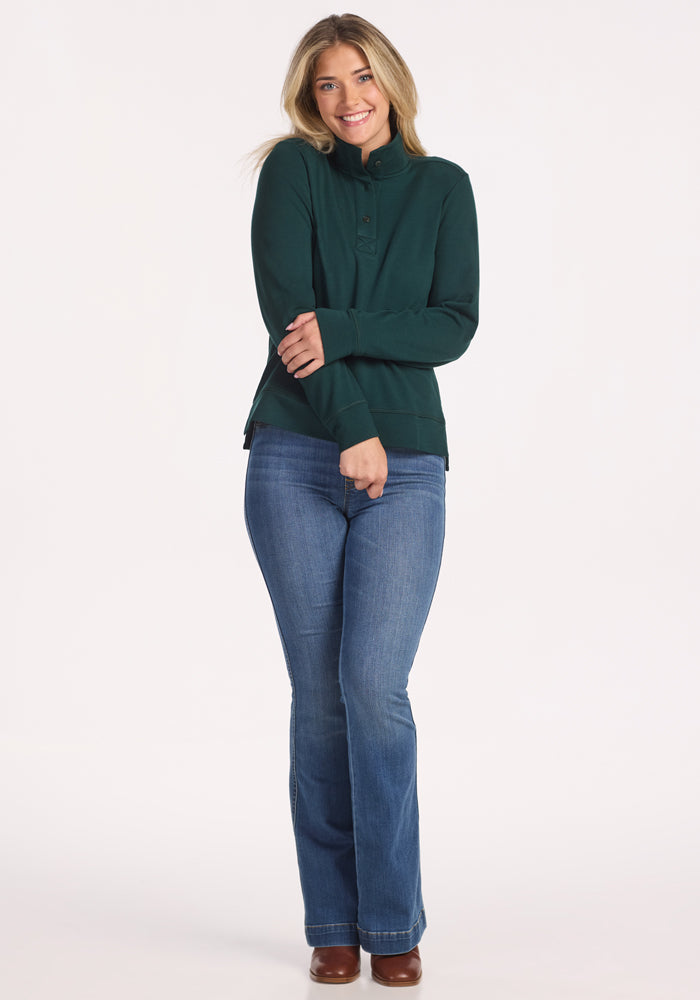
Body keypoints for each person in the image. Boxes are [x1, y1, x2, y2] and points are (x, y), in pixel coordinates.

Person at [243, 13, 479, 987]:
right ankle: (333, 921)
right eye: (326, 84)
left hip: (410, 468)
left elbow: (452, 325)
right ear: (308, 96)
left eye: (361, 78)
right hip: (296, 456)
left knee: (375, 692)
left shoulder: (443, 186)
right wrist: (353, 425)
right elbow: (283, 316)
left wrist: (338, 327)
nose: (347, 99)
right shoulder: (291, 175)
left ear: (391, 81)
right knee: (319, 702)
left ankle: (393, 918)